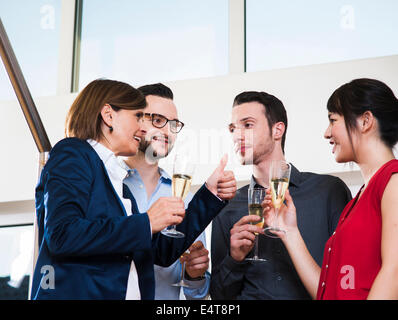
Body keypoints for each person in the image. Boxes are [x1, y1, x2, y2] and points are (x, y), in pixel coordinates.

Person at [31, 79, 236, 300]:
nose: (142, 127)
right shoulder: (73, 153)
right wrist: (147, 221)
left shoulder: (121, 190)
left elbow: (162, 252)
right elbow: (63, 234)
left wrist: (209, 194)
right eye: (138, 116)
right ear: (109, 116)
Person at [262, 78, 398, 300]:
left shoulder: (393, 181)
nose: (327, 133)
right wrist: (290, 232)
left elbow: (395, 273)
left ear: (365, 121)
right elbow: (328, 291)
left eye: (333, 120)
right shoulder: (357, 201)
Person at [210, 91, 352, 300]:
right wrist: (235, 258)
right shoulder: (226, 205)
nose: (237, 135)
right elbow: (220, 298)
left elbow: (347, 279)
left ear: (277, 130)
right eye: (232, 128)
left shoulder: (329, 191)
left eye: (247, 125)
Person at [122, 83, 211, 299]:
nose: (167, 132)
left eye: (173, 125)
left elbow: (197, 296)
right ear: (136, 120)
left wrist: (195, 274)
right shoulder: (109, 185)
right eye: (159, 121)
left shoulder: (187, 200)